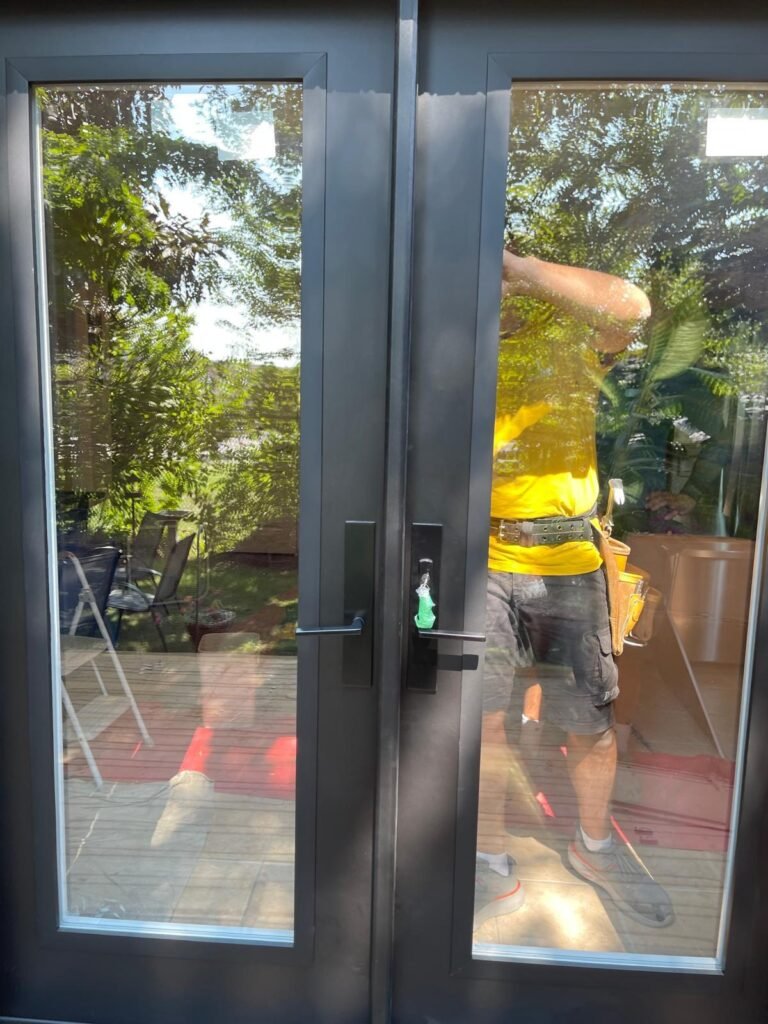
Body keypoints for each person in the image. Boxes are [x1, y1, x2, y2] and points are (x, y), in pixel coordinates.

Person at [474, 246, 675, 930]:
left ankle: (593, 851)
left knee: (591, 722)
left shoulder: (562, 328)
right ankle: (486, 857)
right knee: (481, 723)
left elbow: (634, 306)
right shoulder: (452, 340)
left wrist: (524, 272)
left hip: (567, 562)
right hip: (477, 560)